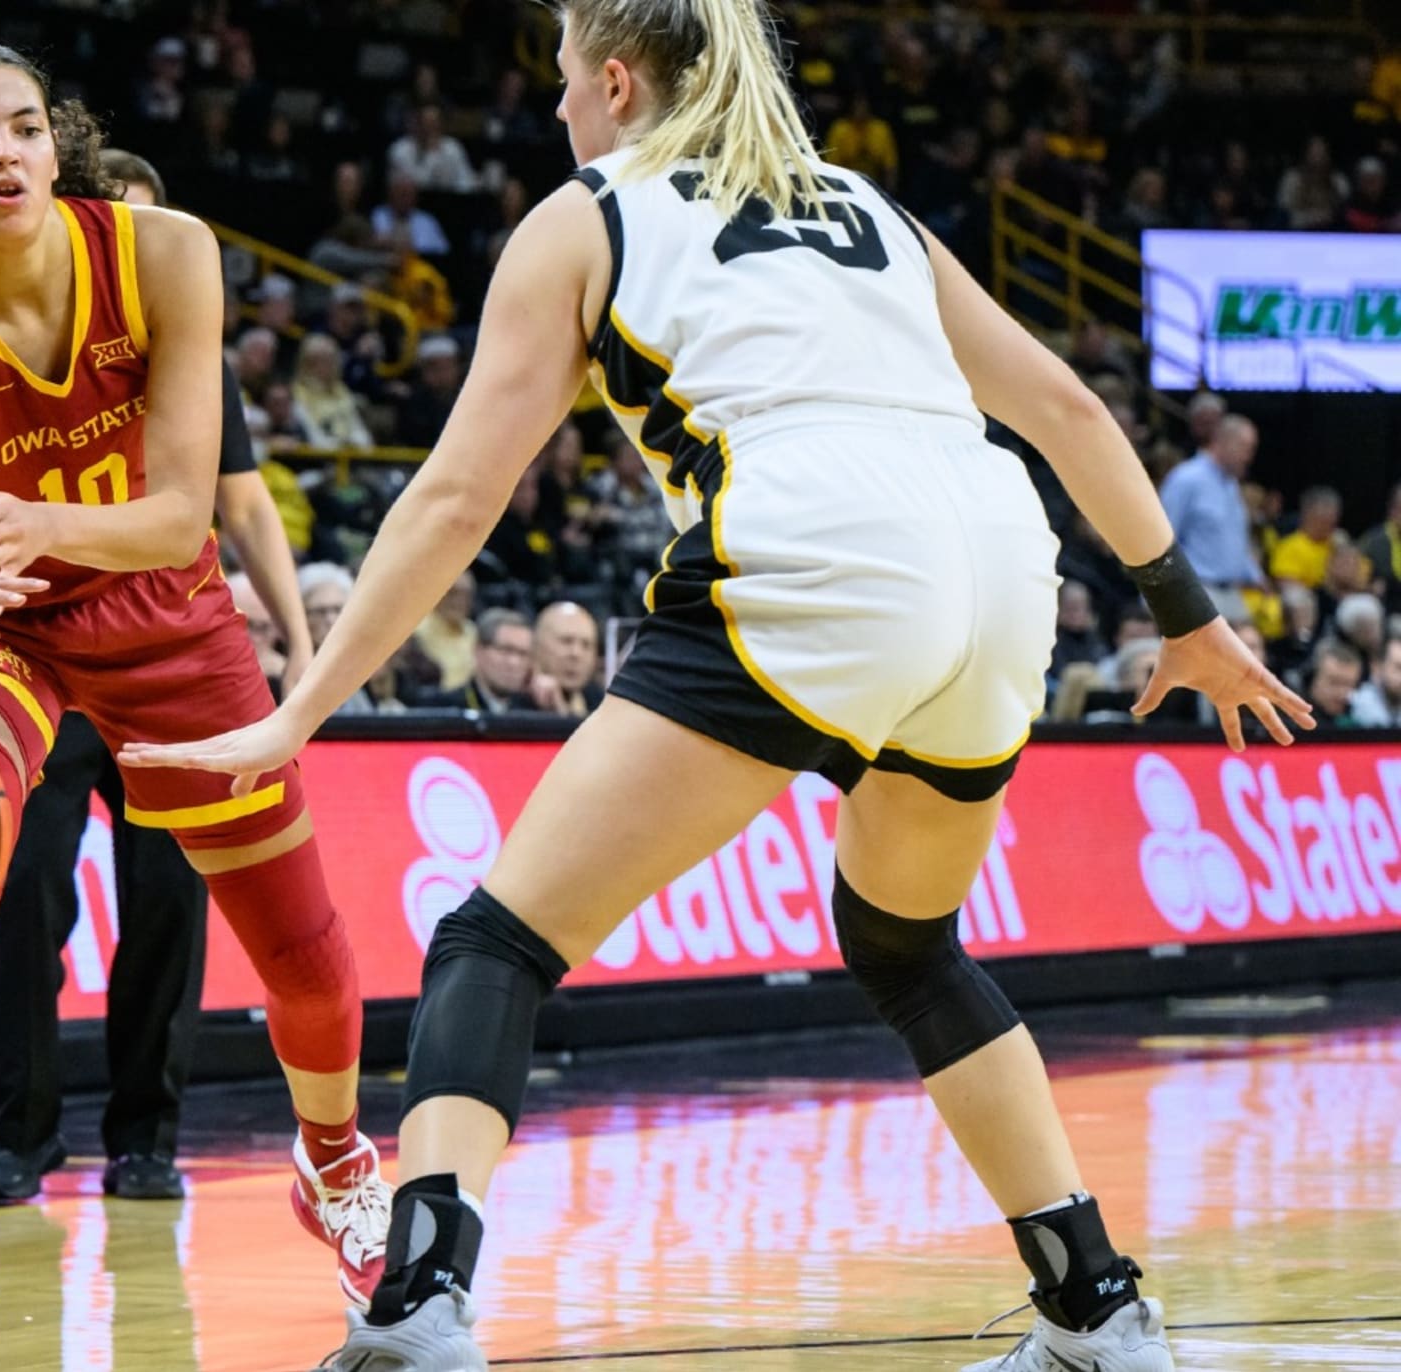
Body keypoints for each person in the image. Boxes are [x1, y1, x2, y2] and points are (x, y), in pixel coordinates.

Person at [122, 2, 1311, 1368]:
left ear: (617, 81)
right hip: (997, 565)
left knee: (496, 943)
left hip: (814, 543)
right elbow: (1072, 411)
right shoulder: (866, 205)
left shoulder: (585, 213)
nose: (558, 108)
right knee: (908, 948)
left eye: (565, 80)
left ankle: (418, 1305)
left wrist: (297, 708)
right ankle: (1099, 1309)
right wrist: (1186, 615)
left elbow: (457, 497)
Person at [0, 44, 385, 1370]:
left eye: (22, 128)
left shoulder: (165, 253)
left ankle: (337, 1162)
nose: (1, 151)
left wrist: (43, 513)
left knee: (296, 942)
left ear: (55, 149)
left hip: (164, 608)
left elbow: (187, 512)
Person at [0, 146, 317, 1209]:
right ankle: (18, 1130)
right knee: (20, 892)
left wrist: (299, 643)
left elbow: (245, 504)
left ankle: (146, 1136)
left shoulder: (191, 351)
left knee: (167, 899)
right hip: (46, 648)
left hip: (167, 654)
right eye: (126, 225)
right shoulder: (7, 339)